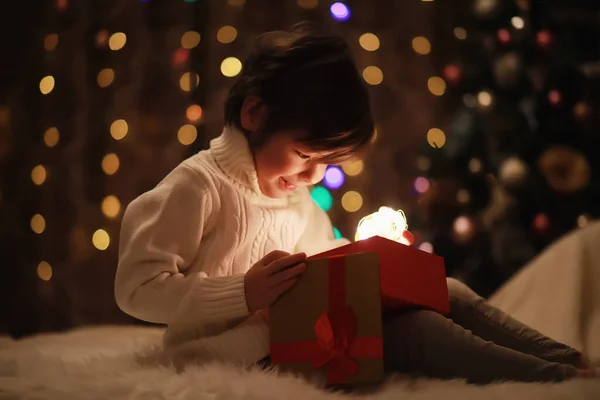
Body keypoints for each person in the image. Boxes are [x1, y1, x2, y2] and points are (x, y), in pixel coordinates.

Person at [114, 25, 596, 384]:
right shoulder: (200, 186)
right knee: (419, 334)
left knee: (448, 289)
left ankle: (569, 361)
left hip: (306, 327)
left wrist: (379, 256)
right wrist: (244, 293)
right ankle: (551, 381)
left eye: (326, 162)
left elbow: (330, 253)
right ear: (255, 113)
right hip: (228, 354)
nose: (312, 175)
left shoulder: (297, 198)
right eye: (305, 155)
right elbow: (137, 286)